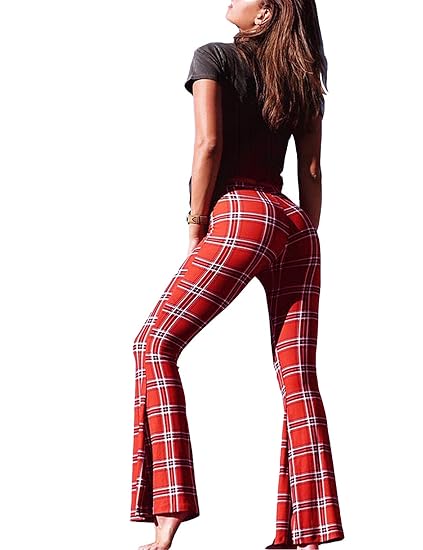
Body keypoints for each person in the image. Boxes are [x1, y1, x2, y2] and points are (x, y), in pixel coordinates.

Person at [130, 1, 345, 549]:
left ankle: (168, 513)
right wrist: (304, 238)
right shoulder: (304, 81)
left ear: (266, 13)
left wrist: (197, 224)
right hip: (295, 222)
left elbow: (208, 145)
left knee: (153, 344)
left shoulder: (213, 57)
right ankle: (308, 534)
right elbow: (312, 171)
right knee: (297, 375)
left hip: (241, 212)